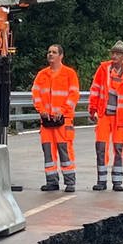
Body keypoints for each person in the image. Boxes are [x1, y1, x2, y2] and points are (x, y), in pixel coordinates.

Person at [88, 40, 123, 191]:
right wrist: (92, 109)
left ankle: (117, 182)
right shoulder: (103, 69)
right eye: (113, 53)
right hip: (104, 115)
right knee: (101, 147)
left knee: (118, 148)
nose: (115, 56)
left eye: (118, 53)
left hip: (121, 118)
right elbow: (95, 89)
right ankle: (101, 181)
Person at [30, 44, 80, 192]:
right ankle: (52, 181)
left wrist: (63, 111)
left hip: (63, 121)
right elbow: (35, 94)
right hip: (46, 121)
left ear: (61, 56)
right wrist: (42, 110)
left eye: (54, 52)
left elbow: (73, 95)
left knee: (65, 150)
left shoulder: (69, 74)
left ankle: (70, 182)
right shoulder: (42, 75)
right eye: (49, 52)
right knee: (48, 152)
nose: (50, 54)